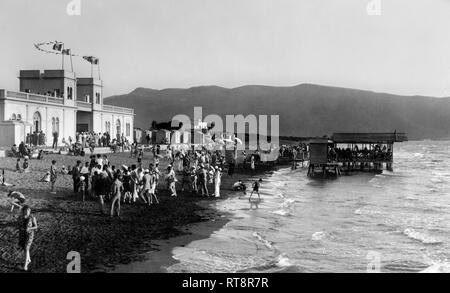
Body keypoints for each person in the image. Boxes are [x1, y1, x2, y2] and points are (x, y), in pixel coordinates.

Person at [18, 205, 38, 271]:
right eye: (25, 210)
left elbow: (36, 227)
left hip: (30, 235)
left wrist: (29, 228)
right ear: (23, 211)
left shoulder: (32, 217)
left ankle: (25, 265)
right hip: (22, 235)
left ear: (30, 211)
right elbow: (19, 226)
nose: (27, 212)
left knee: (26, 248)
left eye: (28, 210)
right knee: (25, 248)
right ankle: (28, 260)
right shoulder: (20, 217)